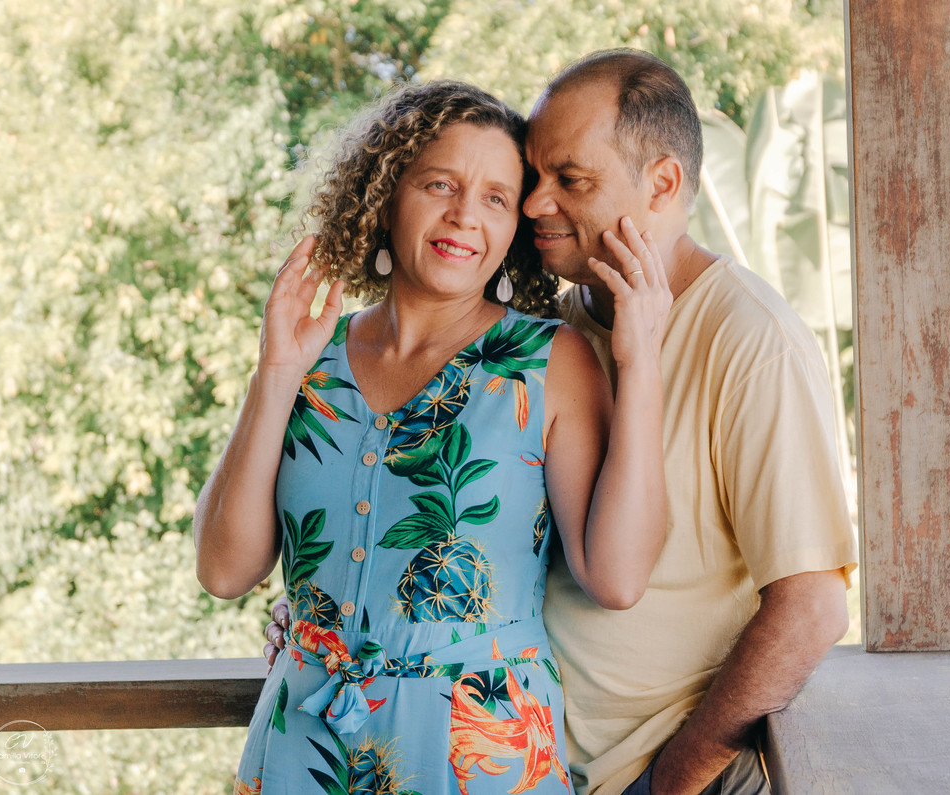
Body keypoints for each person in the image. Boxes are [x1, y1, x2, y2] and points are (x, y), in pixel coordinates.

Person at [267, 51, 859, 795]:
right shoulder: (554, 328)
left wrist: (670, 782)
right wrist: (343, 607)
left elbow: (811, 607)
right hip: (522, 760)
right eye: (534, 177)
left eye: (570, 180)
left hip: (665, 771)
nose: (534, 204)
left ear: (662, 184)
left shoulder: (750, 338)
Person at [196, 79, 672, 795]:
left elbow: (617, 577)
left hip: (478, 758)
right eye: (440, 184)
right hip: (302, 747)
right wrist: (276, 373)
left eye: (496, 198)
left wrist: (639, 364)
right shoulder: (309, 356)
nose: (465, 216)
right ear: (386, 193)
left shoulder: (549, 362)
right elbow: (224, 572)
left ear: (515, 227)